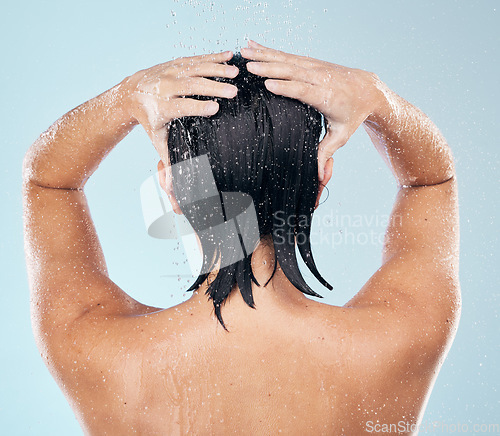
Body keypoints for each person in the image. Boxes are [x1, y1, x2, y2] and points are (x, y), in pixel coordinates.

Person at [23, 41, 461, 435]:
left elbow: (47, 181)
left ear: (172, 188)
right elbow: (431, 181)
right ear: (321, 180)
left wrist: (127, 96)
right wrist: (375, 95)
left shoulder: (98, 352)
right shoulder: (398, 339)